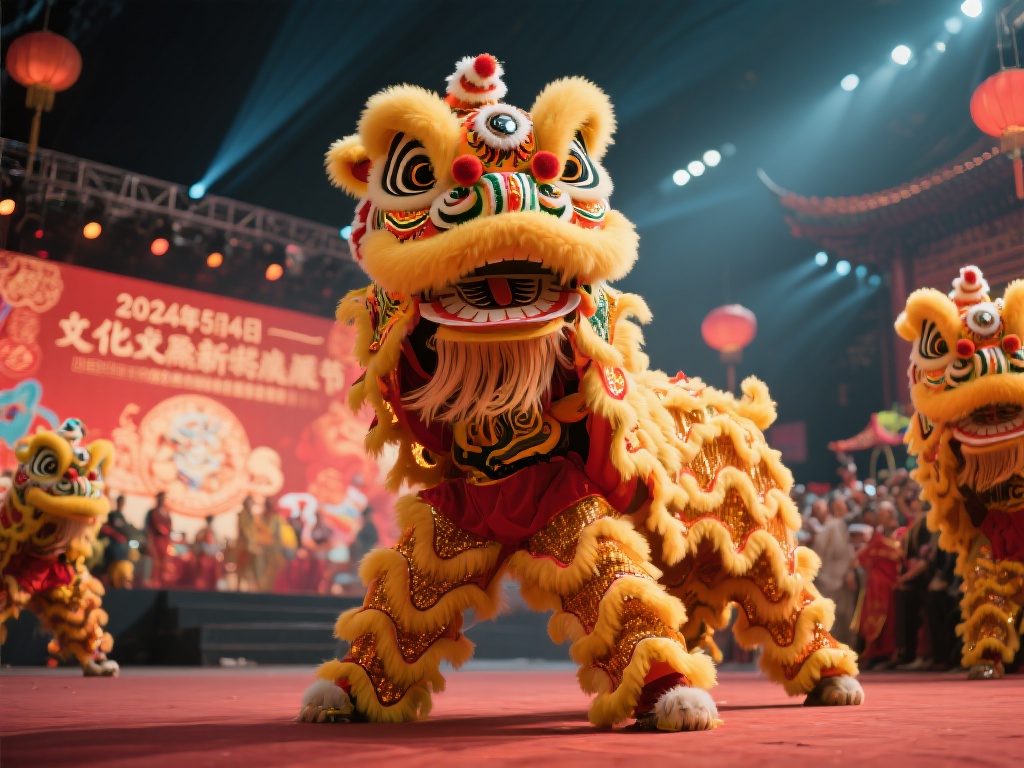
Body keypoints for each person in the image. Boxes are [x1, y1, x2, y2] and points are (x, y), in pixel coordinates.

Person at [853, 500, 902, 668]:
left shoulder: (898, 533)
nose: (879, 518)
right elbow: (864, 557)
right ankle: (872, 653)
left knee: (889, 619)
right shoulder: (877, 535)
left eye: (883, 515)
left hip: (891, 583)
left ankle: (887, 653)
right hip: (874, 584)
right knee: (871, 617)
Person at [810, 497, 857, 646]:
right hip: (828, 580)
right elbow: (818, 552)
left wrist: (850, 572)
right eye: (839, 506)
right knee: (830, 620)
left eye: (843, 506)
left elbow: (849, 554)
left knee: (844, 619)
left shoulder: (842, 525)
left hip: (842, 580)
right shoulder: (831, 526)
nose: (843, 509)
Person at [895, 498, 935, 669]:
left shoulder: (926, 524)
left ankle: (923, 655)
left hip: (923, 579)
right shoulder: (914, 526)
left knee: (923, 620)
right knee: (910, 619)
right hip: (914, 579)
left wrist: (906, 577)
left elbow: (924, 558)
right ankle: (910, 654)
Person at [143, 492, 173, 588]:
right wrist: (149, 541)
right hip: (155, 541)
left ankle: (161, 583)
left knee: (164, 564)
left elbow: (169, 527)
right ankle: (153, 583)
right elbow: (148, 528)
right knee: (155, 563)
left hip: (164, 542)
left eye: (163, 499)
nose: (162, 501)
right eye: (161, 498)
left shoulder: (166, 513)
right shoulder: (152, 512)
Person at [235, 496, 259, 591]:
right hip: (244, 546)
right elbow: (245, 529)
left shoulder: (249, 514)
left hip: (248, 546)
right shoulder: (243, 514)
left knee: (250, 568)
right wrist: (251, 542)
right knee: (242, 567)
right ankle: (239, 588)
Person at [192, 515, 222, 591]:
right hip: (204, 558)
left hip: (211, 558)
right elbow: (197, 542)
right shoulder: (203, 531)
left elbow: (216, 545)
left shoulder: (212, 532)